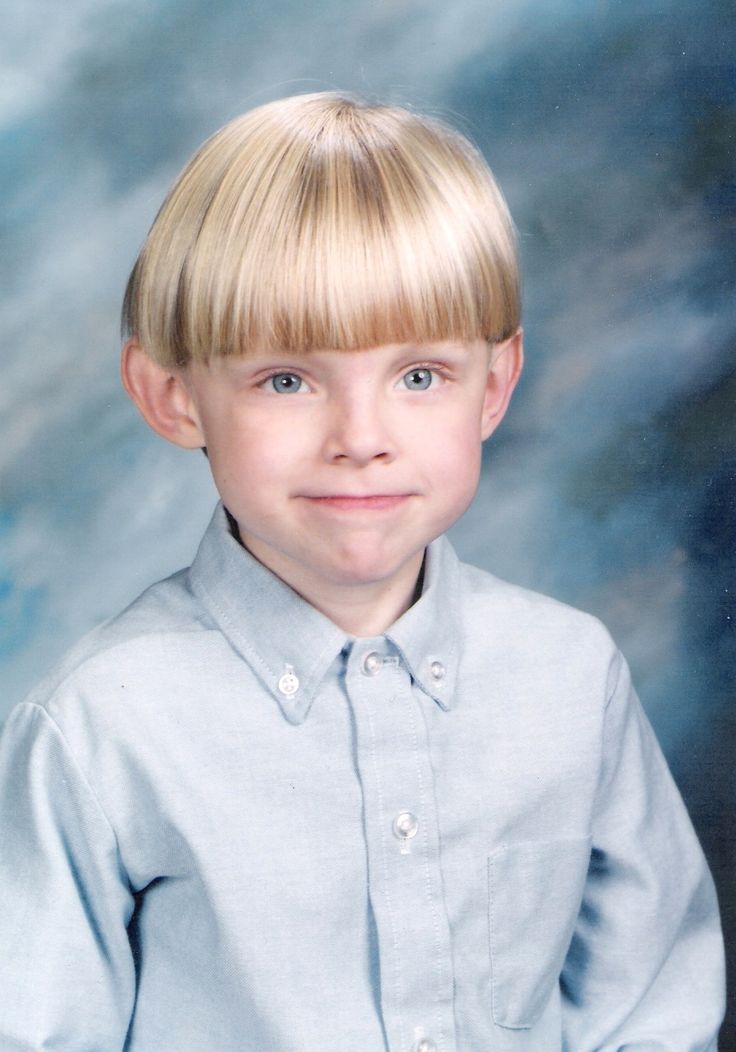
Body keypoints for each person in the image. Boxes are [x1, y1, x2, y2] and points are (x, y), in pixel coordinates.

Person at [0, 92, 725, 1051]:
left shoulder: (569, 677)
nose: (361, 440)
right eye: (288, 380)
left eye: (419, 375)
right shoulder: (101, 726)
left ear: (494, 388)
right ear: (173, 397)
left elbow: (651, 1013)